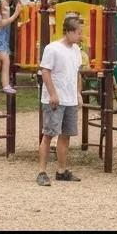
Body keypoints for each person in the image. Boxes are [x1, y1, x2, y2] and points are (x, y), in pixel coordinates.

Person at [37, 15, 84, 185]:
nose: (81, 36)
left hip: (70, 100)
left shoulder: (76, 50)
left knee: (66, 135)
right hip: (55, 100)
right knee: (48, 134)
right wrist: (52, 94)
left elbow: (77, 73)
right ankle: (42, 172)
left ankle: (61, 170)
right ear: (69, 32)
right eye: (78, 33)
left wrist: (78, 93)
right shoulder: (53, 48)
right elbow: (45, 72)